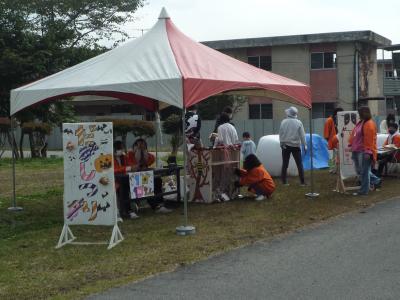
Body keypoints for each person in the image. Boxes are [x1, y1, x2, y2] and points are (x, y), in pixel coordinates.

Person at [127, 138, 171, 214]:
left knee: (157, 180)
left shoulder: (146, 154)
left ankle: (160, 203)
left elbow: (151, 160)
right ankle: (156, 206)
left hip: (145, 176)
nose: (141, 146)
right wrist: (137, 151)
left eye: (143, 144)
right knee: (146, 187)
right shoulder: (131, 154)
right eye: (139, 144)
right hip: (135, 178)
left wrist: (144, 151)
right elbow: (132, 164)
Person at [349, 106, 380, 195]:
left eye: (359, 113)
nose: (358, 114)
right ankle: (376, 180)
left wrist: (368, 151)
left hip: (363, 151)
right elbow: (355, 134)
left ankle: (363, 191)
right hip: (357, 150)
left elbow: (369, 139)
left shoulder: (369, 124)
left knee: (364, 171)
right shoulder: (361, 122)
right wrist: (351, 144)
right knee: (360, 171)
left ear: (363, 113)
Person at [279, 106, 307, 186]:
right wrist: (305, 145)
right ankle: (302, 182)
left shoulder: (283, 122)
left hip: (285, 145)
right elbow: (302, 135)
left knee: (285, 164)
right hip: (296, 146)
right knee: (299, 164)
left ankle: (284, 182)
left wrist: (281, 143)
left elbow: (281, 134)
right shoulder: (299, 122)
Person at [113, 141, 135, 219]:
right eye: (120, 148)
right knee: (124, 188)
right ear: (114, 149)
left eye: (122, 148)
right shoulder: (110, 158)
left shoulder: (124, 157)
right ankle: (128, 210)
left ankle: (130, 209)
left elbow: (130, 164)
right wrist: (126, 168)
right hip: (114, 181)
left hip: (126, 179)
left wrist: (132, 167)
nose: (121, 150)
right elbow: (114, 170)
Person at [324, 107, 343, 173]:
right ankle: (331, 169)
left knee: (338, 157)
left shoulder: (341, 120)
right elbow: (326, 133)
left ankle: (337, 169)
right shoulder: (329, 120)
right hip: (331, 142)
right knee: (331, 157)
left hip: (339, 141)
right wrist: (328, 140)